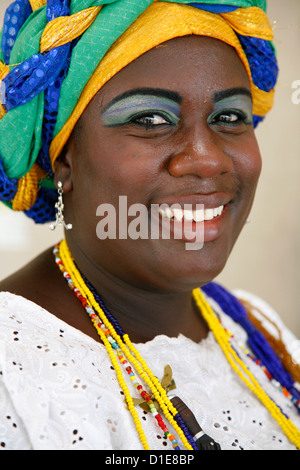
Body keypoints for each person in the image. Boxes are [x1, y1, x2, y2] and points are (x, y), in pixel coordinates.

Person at [0, 0, 299, 451]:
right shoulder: (14, 368)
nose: (207, 158)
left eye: (229, 117)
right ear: (64, 158)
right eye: (150, 120)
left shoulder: (254, 327)